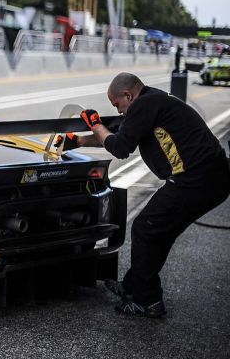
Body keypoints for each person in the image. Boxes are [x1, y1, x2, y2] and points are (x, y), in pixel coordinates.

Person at [57, 72, 230, 318]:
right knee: (159, 232)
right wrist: (80, 141)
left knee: (145, 229)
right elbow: (122, 136)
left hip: (195, 179)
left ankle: (147, 301)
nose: (118, 111)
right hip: (212, 177)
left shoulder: (144, 105)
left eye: (117, 104)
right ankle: (133, 285)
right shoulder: (153, 100)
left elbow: (119, 147)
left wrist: (95, 123)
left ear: (128, 95)